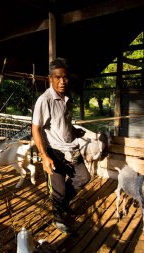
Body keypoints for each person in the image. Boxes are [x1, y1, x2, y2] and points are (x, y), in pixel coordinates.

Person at [31, 57, 91, 234]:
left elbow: (63, 123)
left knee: (83, 177)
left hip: (71, 148)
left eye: (65, 77)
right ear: (50, 78)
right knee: (59, 190)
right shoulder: (45, 100)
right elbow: (35, 129)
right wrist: (44, 156)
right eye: (57, 77)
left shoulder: (67, 97)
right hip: (54, 151)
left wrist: (74, 131)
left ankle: (63, 204)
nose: (62, 81)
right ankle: (58, 216)